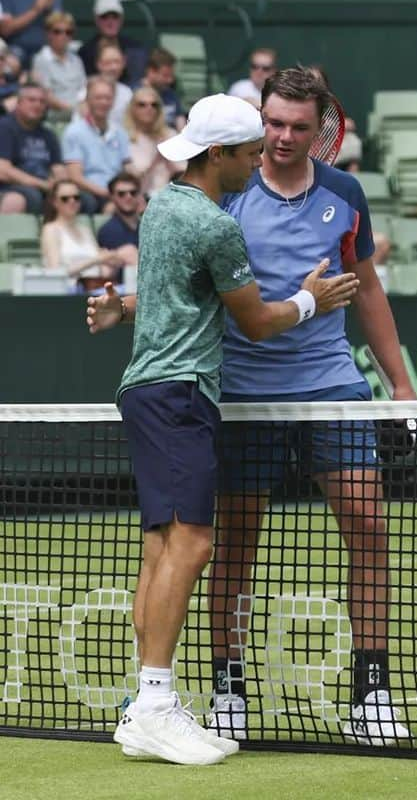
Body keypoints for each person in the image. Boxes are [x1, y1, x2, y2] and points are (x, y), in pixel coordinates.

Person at [86, 93, 360, 766]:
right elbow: (257, 322)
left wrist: (124, 305)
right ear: (219, 156)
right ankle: (153, 704)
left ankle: (145, 708)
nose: (257, 161)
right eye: (247, 153)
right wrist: (310, 299)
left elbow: (176, 292)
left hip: (148, 391)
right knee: (194, 541)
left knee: (161, 546)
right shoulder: (214, 225)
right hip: (181, 394)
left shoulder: (161, 209)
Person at [204, 66, 414, 746]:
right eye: (273, 124)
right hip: (244, 392)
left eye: (298, 127)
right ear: (259, 120)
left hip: (331, 384)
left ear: (320, 126)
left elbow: (369, 288)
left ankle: (372, 691)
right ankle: (228, 689)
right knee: (236, 540)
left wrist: (401, 386)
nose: (283, 138)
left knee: (368, 527)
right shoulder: (229, 190)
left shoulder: (345, 193)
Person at [63, 75, 132, 213]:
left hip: (118, 190)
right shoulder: (74, 131)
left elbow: (128, 168)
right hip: (90, 191)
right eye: (98, 98)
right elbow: (75, 176)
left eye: (108, 98)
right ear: (88, 100)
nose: (103, 102)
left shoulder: (120, 132)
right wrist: (109, 194)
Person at [40, 179, 124, 291]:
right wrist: (95, 260)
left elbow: (100, 266)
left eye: (76, 197)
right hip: (69, 290)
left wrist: (112, 259)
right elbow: (55, 271)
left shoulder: (85, 230)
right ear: (55, 202)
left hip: (95, 287)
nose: (72, 201)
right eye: (65, 199)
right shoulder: (51, 229)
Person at [0, 81, 65, 213]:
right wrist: (41, 184)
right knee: (26, 198)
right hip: (10, 186)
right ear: (18, 103)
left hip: (43, 186)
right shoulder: (5, 127)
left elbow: (58, 168)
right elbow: (3, 170)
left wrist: (60, 184)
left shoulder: (48, 134)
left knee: (85, 200)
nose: (37, 105)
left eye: (42, 102)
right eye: (31, 100)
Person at [124, 84, 184, 196]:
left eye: (154, 105)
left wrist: (168, 156)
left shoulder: (170, 135)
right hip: (139, 197)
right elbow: (133, 176)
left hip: (171, 196)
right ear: (132, 108)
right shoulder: (125, 138)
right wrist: (156, 157)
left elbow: (183, 171)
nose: (149, 108)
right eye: (142, 105)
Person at [78, 0, 147, 85]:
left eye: (115, 16)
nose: (110, 22)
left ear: (121, 19)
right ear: (96, 20)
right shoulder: (85, 52)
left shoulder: (135, 48)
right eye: (104, 17)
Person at [31, 9, 86, 123]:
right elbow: (47, 96)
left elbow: (83, 89)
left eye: (68, 32)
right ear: (48, 34)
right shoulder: (41, 60)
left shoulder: (76, 60)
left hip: (80, 114)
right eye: (57, 31)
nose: (63, 35)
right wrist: (74, 110)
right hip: (56, 118)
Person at [96, 170, 142, 282]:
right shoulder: (108, 231)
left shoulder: (149, 227)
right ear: (112, 197)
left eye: (133, 192)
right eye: (121, 194)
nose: (128, 197)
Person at [89, 39, 134, 128]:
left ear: (123, 63)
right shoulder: (85, 91)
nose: (113, 67)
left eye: (117, 62)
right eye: (108, 63)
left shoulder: (127, 92)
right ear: (99, 64)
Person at [143, 47, 186, 129]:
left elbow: (181, 125)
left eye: (171, 75)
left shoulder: (171, 96)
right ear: (151, 72)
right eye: (165, 76)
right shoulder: (132, 94)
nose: (170, 80)